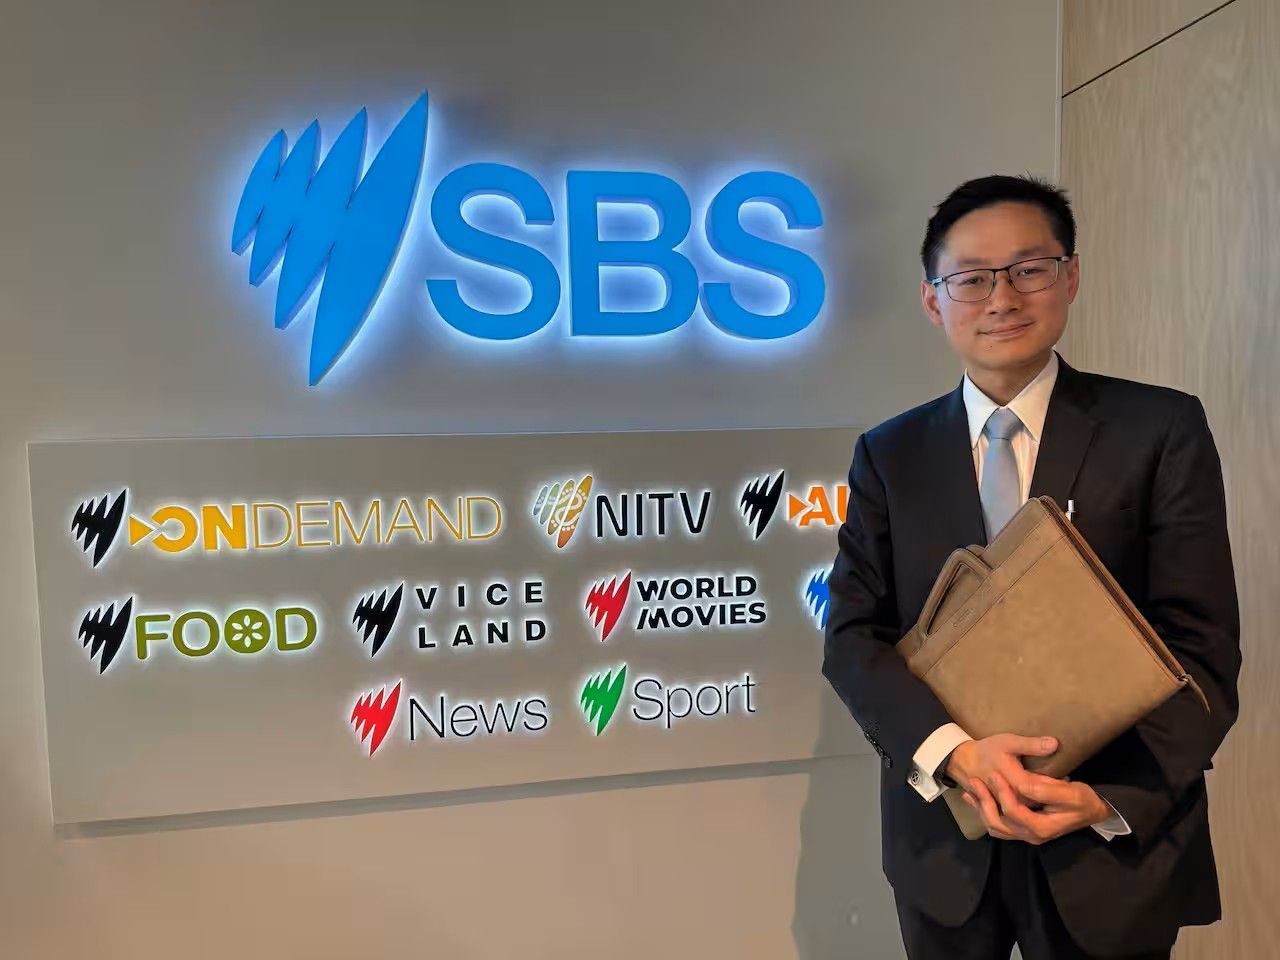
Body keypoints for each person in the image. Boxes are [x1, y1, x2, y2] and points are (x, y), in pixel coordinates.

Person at [821, 175, 1241, 960]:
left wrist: (1105, 798)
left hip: (1108, 843)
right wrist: (954, 753)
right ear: (933, 300)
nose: (1002, 298)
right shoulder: (890, 454)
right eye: (972, 278)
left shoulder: (1160, 428)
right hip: (946, 844)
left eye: (1029, 269)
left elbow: (1201, 644)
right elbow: (852, 637)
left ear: (1070, 276)